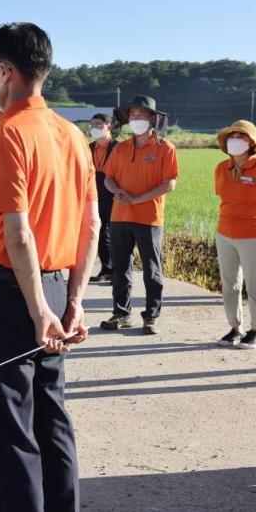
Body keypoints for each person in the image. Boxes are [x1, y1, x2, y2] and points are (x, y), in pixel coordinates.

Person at [0, 22, 99, 512]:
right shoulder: (71, 134)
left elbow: (19, 232)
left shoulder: (8, 135)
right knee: (51, 414)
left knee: (7, 427)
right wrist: (73, 302)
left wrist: (40, 308)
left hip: (11, 294)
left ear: (5, 71)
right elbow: (92, 225)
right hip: (57, 285)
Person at [100, 95, 178, 334]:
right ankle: (121, 314)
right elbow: (108, 178)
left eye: (140, 115)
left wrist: (137, 199)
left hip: (149, 217)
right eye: (132, 115)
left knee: (152, 270)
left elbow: (169, 184)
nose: (136, 119)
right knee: (121, 269)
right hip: (120, 216)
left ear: (152, 119)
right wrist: (118, 192)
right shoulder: (121, 148)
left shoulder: (165, 148)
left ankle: (151, 316)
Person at [213, 120, 256, 349]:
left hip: (253, 234)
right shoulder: (221, 168)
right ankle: (235, 328)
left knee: (255, 284)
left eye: (241, 137)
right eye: (231, 136)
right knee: (230, 284)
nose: (235, 140)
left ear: (251, 143)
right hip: (225, 232)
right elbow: (222, 197)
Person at [88, 112, 118, 283]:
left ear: (109, 126)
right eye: (92, 125)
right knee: (99, 234)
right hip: (95, 194)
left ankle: (117, 271)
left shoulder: (119, 148)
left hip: (114, 193)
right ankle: (105, 269)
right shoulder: (89, 148)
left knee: (116, 235)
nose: (94, 128)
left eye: (98, 124)